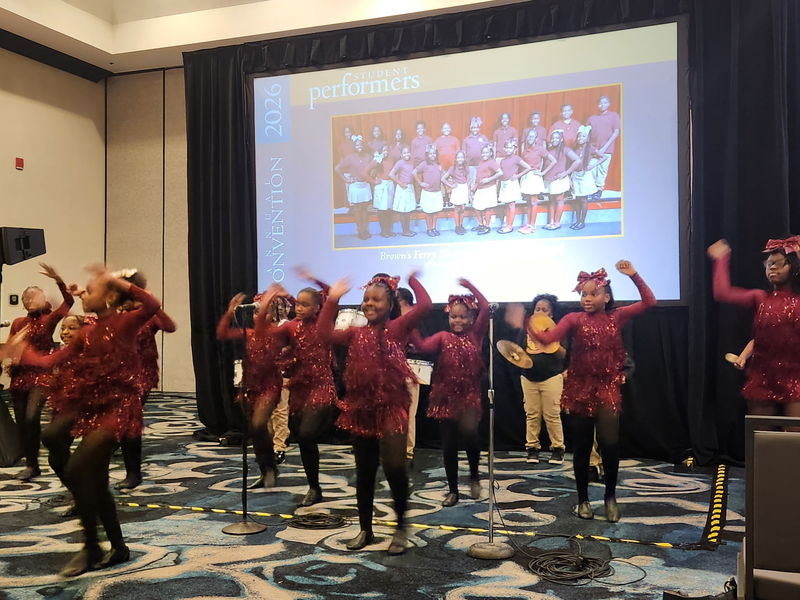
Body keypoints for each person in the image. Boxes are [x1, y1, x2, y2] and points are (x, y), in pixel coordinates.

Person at [4, 266, 162, 576]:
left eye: (90, 291)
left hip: (118, 408)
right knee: (63, 448)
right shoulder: (87, 331)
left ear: (111, 296)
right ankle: (118, 547)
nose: (82, 294)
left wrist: (115, 280)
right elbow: (52, 360)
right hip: (91, 408)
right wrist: (19, 352)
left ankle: (92, 547)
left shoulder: (126, 322)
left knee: (80, 470)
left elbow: (153, 307)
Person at [528, 261, 656, 522]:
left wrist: (634, 275)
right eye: (583, 294)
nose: (586, 298)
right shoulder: (573, 319)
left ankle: (610, 497)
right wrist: (528, 324)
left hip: (607, 390)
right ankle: (583, 500)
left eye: (593, 293)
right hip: (579, 390)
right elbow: (547, 339)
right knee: (583, 448)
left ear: (606, 297)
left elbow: (649, 302)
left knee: (610, 446)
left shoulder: (616, 316)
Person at [318, 272, 432, 554]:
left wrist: (413, 280)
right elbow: (324, 334)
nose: (369, 303)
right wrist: (332, 300)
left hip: (392, 408)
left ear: (390, 304)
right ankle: (365, 530)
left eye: (377, 299)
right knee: (365, 472)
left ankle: (401, 526)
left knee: (394, 468)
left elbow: (426, 305)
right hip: (361, 410)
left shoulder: (398, 328)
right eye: (366, 299)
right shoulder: (355, 333)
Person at [410, 279, 488, 506]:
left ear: (471, 319)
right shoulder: (443, 337)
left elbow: (484, 306)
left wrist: (471, 287)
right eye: (454, 316)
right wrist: (410, 327)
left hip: (469, 399)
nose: (458, 320)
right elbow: (424, 347)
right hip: (444, 400)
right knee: (449, 446)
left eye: (463, 316)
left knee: (472, 439)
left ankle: (474, 476)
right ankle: (452, 489)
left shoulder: (476, 336)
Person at [708, 237, 800, 424]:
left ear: (795, 267)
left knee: (793, 440)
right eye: (769, 264)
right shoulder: (760, 298)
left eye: (780, 264)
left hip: (795, 376)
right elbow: (722, 293)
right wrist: (721, 259)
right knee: (761, 439)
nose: (772, 268)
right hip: (762, 377)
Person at [271, 270, 337, 506]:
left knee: (307, 433)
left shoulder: (324, 321)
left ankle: (314, 486)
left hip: (321, 384)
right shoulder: (290, 326)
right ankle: (314, 487)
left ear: (318, 308)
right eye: (297, 304)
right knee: (304, 438)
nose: (299, 308)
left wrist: (314, 278)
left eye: (305, 305)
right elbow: (270, 339)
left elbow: (331, 295)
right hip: (300, 387)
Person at [7, 263, 74, 481]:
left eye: (34, 297)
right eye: (26, 298)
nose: (29, 301)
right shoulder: (18, 322)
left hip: (41, 376)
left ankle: (34, 463)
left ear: (43, 299)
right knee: (22, 421)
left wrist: (58, 279)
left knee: (31, 417)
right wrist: (12, 348)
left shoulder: (48, 320)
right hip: (19, 376)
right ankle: (32, 464)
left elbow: (69, 302)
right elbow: (11, 348)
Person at [217, 285, 286, 489]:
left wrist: (268, 300)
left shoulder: (277, 331)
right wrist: (230, 312)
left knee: (258, 424)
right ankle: (267, 468)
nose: (258, 315)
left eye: (262, 312)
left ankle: (270, 466)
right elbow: (222, 334)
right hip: (251, 386)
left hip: (270, 385)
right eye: (255, 313)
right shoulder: (248, 333)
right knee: (256, 431)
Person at [116, 270, 176, 490]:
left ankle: (134, 473)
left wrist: (150, 303)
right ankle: (127, 463)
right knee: (122, 423)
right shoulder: (114, 315)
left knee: (129, 421)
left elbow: (170, 327)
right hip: (118, 376)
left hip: (142, 376)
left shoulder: (148, 315)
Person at [506, 294, 567, 464]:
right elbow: (517, 352)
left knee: (552, 415)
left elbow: (564, 354)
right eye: (537, 309)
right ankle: (532, 448)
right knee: (532, 414)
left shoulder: (558, 330)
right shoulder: (525, 333)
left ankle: (557, 449)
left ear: (551, 314)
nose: (540, 312)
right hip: (529, 378)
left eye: (544, 310)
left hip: (551, 377)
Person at [335, 136, 378, 240]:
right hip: (355, 186)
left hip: (365, 185)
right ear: (354, 146)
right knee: (358, 209)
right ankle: (360, 230)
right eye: (357, 145)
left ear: (363, 146)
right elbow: (337, 168)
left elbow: (375, 168)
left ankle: (365, 230)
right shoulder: (350, 157)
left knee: (364, 209)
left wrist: (371, 175)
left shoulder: (368, 156)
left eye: (361, 144)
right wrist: (346, 180)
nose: (359, 146)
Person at [569, 125, 609, 230]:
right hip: (576, 175)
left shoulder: (590, 148)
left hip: (584, 175)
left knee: (583, 199)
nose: (580, 139)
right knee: (577, 198)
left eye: (583, 137)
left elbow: (604, 157)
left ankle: (582, 221)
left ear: (587, 138)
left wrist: (592, 166)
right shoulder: (575, 148)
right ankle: (577, 221)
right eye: (579, 137)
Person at [517, 129, 556, 234]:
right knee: (529, 202)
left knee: (534, 202)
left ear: (536, 138)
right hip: (526, 177)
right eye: (528, 136)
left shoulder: (540, 149)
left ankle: (533, 226)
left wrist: (542, 173)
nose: (530, 138)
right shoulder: (525, 150)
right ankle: (528, 224)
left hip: (534, 177)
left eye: (532, 136)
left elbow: (553, 160)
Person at [542, 130, 580, 230]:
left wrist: (566, 172)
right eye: (553, 138)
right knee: (551, 201)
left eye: (557, 138)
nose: (554, 140)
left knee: (559, 200)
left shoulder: (565, 149)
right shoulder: (549, 149)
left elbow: (577, 160)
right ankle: (551, 222)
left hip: (559, 179)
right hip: (549, 179)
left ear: (561, 139)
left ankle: (557, 222)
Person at [586, 95, 621, 195]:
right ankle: (591, 189)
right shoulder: (592, 118)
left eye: (605, 103)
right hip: (593, 149)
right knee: (591, 168)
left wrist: (605, 147)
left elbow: (616, 132)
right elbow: (586, 134)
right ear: (597, 105)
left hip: (606, 149)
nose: (602, 105)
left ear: (609, 104)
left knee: (602, 170)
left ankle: (599, 189)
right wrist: (591, 148)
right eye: (600, 103)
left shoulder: (614, 116)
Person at [497, 138, 533, 234]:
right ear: (504, 148)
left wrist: (517, 176)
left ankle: (509, 226)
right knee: (506, 205)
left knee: (511, 204)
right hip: (504, 184)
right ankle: (507, 223)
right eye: (506, 147)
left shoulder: (516, 158)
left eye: (510, 148)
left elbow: (528, 167)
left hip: (512, 183)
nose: (508, 149)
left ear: (514, 149)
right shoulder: (502, 160)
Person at [470, 145, 503, 234]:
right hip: (480, 188)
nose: (484, 154)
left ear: (490, 153)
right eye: (483, 152)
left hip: (489, 188)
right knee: (476, 206)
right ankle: (481, 224)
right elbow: (478, 176)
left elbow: (500, 173)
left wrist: (489, 179)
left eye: (486, 152)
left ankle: (487, 226)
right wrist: (474, 187)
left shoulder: (492, 162)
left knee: (488, 208)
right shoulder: (481, 162)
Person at [413, 145, 444, 236]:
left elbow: (441, 175)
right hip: (428, 192)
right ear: (427, 155)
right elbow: (414, 172)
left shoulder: (438, 164)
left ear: (436, 154)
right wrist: (420, 183)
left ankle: (434, 227)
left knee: (435, 211)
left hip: (437, 191)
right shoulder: (424, 164)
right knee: (428, 212)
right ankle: (429, 228)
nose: (432, 155)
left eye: (434, 153)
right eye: (430, 153)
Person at [388, 146, 417, 237]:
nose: (407, 154)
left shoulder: (412, 162)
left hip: (410, 187)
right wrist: (400, 183)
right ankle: (405, 231)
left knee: (408, 210)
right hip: (403, 188)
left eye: (408, 152)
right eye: (404, 153)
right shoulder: (399, 163)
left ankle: (407, 230)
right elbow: (391, 174)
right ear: (401, 155)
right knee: (403, 211)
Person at [370, 144, 396, 238]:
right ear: (380, 151)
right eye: (384, 150)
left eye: (387, 150)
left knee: (389, 209)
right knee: (382, 210)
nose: (386, 152)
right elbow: (367, 171)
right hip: (381, 185)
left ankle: (389, 230)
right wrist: (374, 181)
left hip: (389, 184)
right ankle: (383, 231)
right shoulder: (377, 160)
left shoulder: (391, 160)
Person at [441, 150, 471, 235]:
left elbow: (468, 180)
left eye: (462, 157)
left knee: (463, 208)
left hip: (464, 188)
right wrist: (451, 185)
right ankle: (457, 226)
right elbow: (443, 179)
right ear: (456, 159)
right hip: (457, 189)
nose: (460, 159)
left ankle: (461, 224)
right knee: (457, 208)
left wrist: (469, 192)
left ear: (464, 158)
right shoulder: (452, 168)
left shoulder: (466, 168)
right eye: (458, 157)